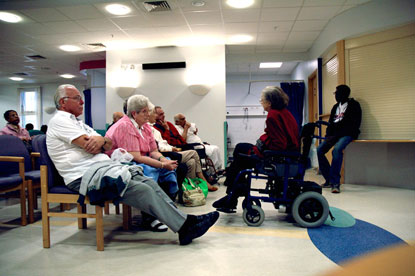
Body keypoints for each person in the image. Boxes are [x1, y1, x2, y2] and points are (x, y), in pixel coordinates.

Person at [47, 84, 219, 245]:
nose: (82, 101)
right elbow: (91, 147)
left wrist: (101, 140)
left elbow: (106, 143)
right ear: (63, 102)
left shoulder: (78, 123)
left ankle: (183, 220)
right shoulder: (60, 121)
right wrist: (100, 142)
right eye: (77, 98)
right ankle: (184, 226)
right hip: (83, 176)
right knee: (143, 189)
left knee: (148, 182)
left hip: (104, 168)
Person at [213, 86, 299, 212]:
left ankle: (232, 196)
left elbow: (279, 144)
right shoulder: (285, 112)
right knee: (240, 148)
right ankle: (233, 193)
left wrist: (261, 150)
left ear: (269, 102)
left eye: (262, 100)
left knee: (239, 160)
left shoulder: (273, 116)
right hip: (286, 154)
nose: (261, 103)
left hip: (276, 157)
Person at [149, 107, 218, 192]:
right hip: (170, 151)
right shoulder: (155, 128)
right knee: (194, 153)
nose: (163, 116)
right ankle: (203, 178)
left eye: (163, 113)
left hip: (180, 147)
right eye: (160, 114)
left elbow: (180, 139)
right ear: (154, 115)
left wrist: (179, 141)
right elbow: (166, 142)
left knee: (192, 162)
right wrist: (167, 130)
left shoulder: (169, 124)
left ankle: (191, 189)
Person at [317, 84, 361, 194]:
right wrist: (328, 135)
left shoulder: (354, 105)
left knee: (336, 150)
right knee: (319, 150)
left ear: (343, 94)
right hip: (335, 135)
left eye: (336, 93)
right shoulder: (335, 107)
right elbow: (331, 124)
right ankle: (329, 179)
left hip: (347, 134)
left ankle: (335, 183)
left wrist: (337, 131)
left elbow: (353, 124)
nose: (335, 95)